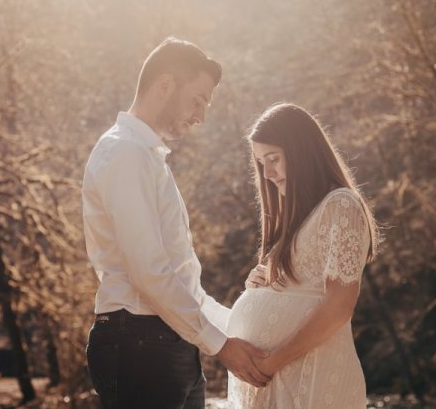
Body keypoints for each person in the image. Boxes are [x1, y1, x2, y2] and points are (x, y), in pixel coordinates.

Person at [82, 37, 270, 409]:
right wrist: (221, 346)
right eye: (197, 100)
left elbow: (184, 285)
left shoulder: (148, 158)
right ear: (165, 84)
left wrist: (244, 331)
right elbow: (148, 273)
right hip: (138, 347)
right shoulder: (126, 153)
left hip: (167, 345)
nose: (200, 116)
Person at [227, 103, 379, 408]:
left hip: (313, 375)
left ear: (302, 152)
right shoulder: (297, 217)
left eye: (274, 159)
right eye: (260, 163)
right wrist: (263, 283)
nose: (267, 174)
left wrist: (271, 362)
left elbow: (339, 305)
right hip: (281, 378)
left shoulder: (341, 206)